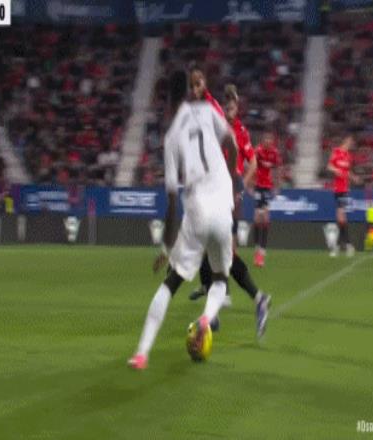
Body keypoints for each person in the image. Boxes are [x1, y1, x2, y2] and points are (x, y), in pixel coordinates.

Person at [128, 70, 238, 370]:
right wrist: (229, 182)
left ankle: (142, 353)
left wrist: (166, 248)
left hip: (198, 211)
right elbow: (232, 145)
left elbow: (173, 202)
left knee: (171, 283)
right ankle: (206, 319)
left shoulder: (170, 138)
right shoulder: (207, 111)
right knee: (220, 279)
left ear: (167, 101)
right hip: (222, 209)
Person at [187, 67, 271, 339]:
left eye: (233, 105)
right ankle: (230, 305)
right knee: (217, 252)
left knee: (220, 253)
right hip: (215, 193)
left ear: (237, 106)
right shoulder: (217, 124)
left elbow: (252, 163)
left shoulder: (239, 131)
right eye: (227, 105)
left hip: (226, 196)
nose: (229, 109)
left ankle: (234, 304)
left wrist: (240, 187)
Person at [253, 132, 283, 267]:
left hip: (267, 187)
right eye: (266, 140)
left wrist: (277, 186)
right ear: (263, 140)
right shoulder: (258, 151)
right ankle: (257, 249)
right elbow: (251, 166)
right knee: (257, 219)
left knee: (265, 218)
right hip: (258, 186)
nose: (268, 142)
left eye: (270, 140)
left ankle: (261, 253)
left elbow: (278, 169)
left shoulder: (274, 153)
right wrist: (250, 184)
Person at [327, 135, 359, 257]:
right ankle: (345, 245)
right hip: (337, 188)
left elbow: (347, 171)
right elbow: (329, 166)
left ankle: (342, 245)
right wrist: (336, 170)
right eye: (349, 141)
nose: (351, 144)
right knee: (341, 218)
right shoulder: (336, 152)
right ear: (345, 141)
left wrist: (353, 177)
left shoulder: (348, 156)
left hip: (345, 189)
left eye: (352, 142)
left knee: (341, 216)